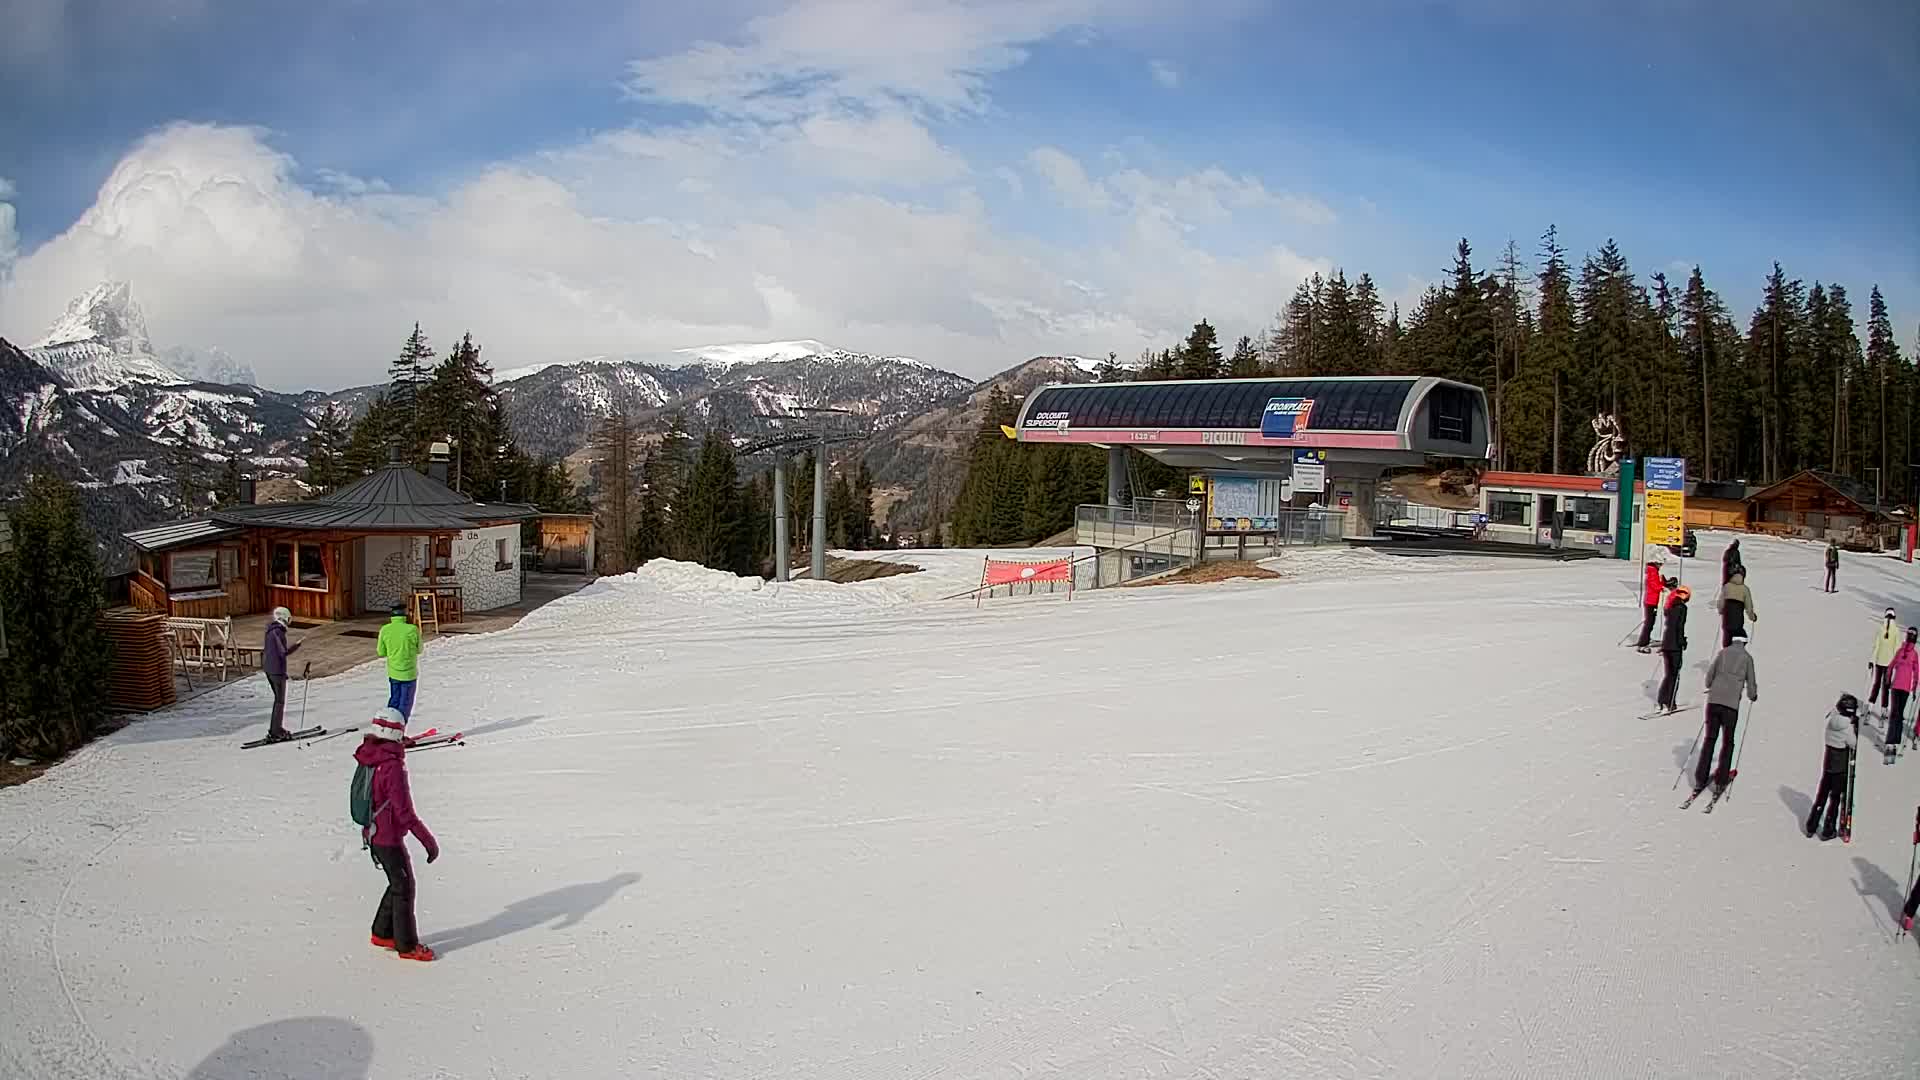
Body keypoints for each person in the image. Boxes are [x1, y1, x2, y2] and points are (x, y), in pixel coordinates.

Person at [354, 706, 439, 962]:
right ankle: (407, 945)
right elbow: (404, 812)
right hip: (387, 837)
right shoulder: (391, 766)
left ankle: (382, 932)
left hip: (372, 832)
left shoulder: (369, 755)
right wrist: (427, 841)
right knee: (404, 887)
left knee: (397, 882)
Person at [1694, 632, 1758, 795]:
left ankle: (1700, 778)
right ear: (1744, 642)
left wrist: (1710, 686)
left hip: (1714, 702)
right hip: (1730, 706)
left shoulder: (1722, 653)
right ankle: (1721, 780)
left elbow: (1710, 676)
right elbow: (1751, 683)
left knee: (1709, 740)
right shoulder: (1747, 658)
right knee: (1728, 742)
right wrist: (1753, 695)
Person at [1806, 694, 1859, 840]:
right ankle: (1828, 829)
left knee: (1821, 796)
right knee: (1835, 799)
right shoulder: (1847, 727)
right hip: (1840, 767)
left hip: (1828, 763)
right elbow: (1853, 743)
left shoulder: (1831, 721)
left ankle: (1811, 824)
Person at [261, 607, 302, 742]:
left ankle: (276, 728)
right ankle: (275, 731)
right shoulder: (278, 632)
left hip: (269, 668)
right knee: (279, 701)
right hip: (276, 671)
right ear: (284, 617)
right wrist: (296, 646)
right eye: (289, 618)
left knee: (278, 701)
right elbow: (282, 652)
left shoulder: (271, 630)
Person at [377, 601, 422, 721]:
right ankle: (399, 730)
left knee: (394, 700)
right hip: (409, 673)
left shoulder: (385, 630)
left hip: (393, 672)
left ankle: (387, 727)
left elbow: (381, 652)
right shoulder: (413, 629)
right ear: (405, 614)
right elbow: (419, 649)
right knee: (405, 703)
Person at [1657, 585, 1691, 713]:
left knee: (1668, 674)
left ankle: (1662, 699)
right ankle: (1670, 701)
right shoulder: (1682, 608)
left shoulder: (1670, 607)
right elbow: (1679, 627)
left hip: (1666, 644)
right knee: (1674, 675)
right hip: (1675, 645)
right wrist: (1682, 641)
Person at [1888, 626, 1919, 763]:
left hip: (1903, 688)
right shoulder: (1901, 651)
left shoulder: (1912, 654)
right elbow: (1891, 665)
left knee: (1897, 713)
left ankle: (1894, 740)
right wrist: (1888, 680)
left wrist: (1914, 687)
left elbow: (1917, 671)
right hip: (1898, 686)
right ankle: (1892, 740)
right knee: (1896, 713)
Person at [1868, 608, 1900, 715]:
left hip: (1879, 661)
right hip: (1889, 663)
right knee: (1886, 686)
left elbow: (1876, 646)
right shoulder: (1896, 631)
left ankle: (1871, 705)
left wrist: (1872, 660)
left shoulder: (1881, 629)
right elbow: (1897, 649)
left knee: (1876, 684)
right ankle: (1884, 709)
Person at [1714, 570, 1758, 648]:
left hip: (1726, 620)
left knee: (1727, 639)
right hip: (1738, 621)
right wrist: (1752, 617)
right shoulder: (1745, 589)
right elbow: (1749, 607)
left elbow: (1720, 602)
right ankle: (1738, 652)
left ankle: (1727, 653)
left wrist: (1720, 611)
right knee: (1741, 637)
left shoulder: (1727, 586)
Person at [1636, 560, 1668, 651]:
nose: (1661, 566)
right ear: (1656, 563)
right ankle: (1643, 643)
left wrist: (1663, 582)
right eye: (1660, 564)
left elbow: (1655, 584)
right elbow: (1654, 585)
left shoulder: (1653, 572)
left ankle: (1646, 638)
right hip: (1650, 601)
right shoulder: (1652, 572)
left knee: (1650, 622)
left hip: (1652, 600)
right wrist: (1662, 587)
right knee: (1649, 622)